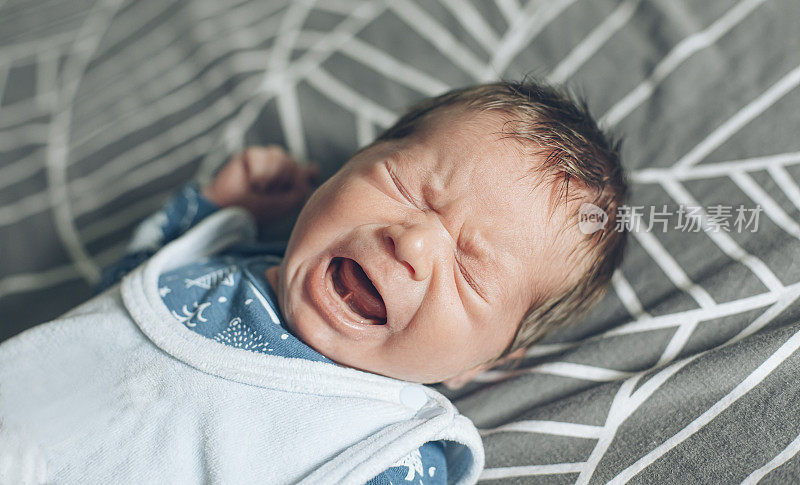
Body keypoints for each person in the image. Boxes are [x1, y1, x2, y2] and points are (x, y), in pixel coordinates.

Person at [0, 80, 627, 484]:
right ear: (343, 169)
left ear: (488, 361)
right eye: (405, 188)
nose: (411, 242)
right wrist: (210, 209)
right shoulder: (229, 253)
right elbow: (116, 303)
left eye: (470, 269)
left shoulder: (387, 445)